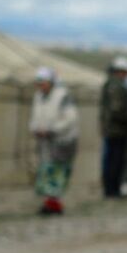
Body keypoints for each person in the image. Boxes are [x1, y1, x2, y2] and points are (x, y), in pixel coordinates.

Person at [29, 65, 79, 215]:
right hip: (45, 140)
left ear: (51, 82)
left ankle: (54, 204)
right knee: (46, 171)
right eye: (39, 83)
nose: (41, 86)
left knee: (58, 172)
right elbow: (35, 116)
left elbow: (70, 119)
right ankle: (50, 204)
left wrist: (52, 129)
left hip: (63, 141)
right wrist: (35, 128)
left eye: (43, 82)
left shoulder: (63, 96)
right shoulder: (38, 96)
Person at [99, 55, 127, 198]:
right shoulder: (116, 86)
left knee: (110, 159)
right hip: (117, 129)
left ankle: (110, 189)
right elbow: (116, 109)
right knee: (115, 161)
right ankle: (112, 190)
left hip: (111, 129)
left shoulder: (108, 84)